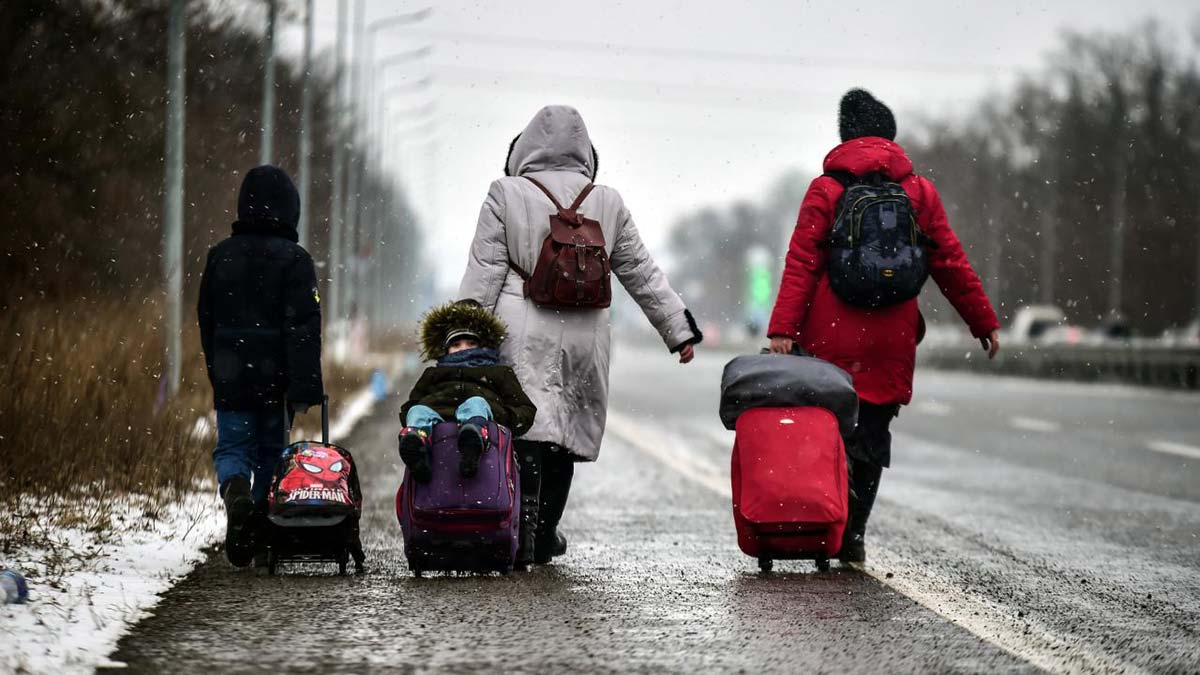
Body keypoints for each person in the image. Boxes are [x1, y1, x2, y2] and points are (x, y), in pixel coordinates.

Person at [459, 105, 703, 567]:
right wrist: (677, 329)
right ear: (586, 152)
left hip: (521, 325)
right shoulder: (606, 201)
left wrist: (463, 336)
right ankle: (547, 530)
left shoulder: (505, 193)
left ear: (523, 149)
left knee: (525, 425)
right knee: (566, 433)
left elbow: (486, 270)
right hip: (587, 330)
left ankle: (520, 525)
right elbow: (640, 271)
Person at [767, 89, 1001, 563]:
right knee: (872, 435)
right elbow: (949, 261)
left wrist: (782, 329)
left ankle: (825, 529)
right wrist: (983, 320)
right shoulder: (918, 191)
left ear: (844, 134)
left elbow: (802, 263)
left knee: (829, 433)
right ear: (891, 135)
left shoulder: (826, 190)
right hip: (891, 338)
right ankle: (854, 534)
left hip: (830, 335)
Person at [197, 165, 324, 568]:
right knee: (272, 452)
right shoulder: (296, 261)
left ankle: (235, 493)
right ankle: (263, 530)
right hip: (277, 379)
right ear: (291, 210)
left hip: (232, 374)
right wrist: (304, 387)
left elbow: (207, 320)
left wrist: (218, 368)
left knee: (233, 448)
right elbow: (304, 330)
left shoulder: (220, 256)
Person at [398, 299, 537, 482]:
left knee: (476, 403)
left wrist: (501, 417)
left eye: (471, 343)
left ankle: (472, 440)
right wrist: (413, 415)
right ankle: (418, 448)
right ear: (446, 350)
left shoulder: (498, 373)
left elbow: (525, 409)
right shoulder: (433, 374)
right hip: (437, 425)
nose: (463, 349)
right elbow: (411, 406)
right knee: (418, 411)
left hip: (481, 423)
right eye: (456, 345)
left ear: (483, 345)